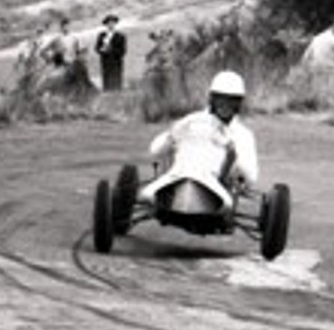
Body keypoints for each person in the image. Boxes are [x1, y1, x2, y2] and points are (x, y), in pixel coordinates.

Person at [140, 71, 259, 206]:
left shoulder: (243, 135)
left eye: (232, 100)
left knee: (226, 202)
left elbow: (251, 178)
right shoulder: (191, 121)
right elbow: (155, 150)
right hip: (178, 175)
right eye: (221, 98)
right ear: (212, 99)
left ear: (239, 103)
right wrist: (171, 136)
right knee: (147, 195)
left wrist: (234, 157)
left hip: (214, 184)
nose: (225, 104)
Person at [95, 14, 127, 92]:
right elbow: (97, 48)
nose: (111, 25)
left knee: (116, 83)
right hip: (106, 63)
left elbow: (123, 51)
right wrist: (102, 50)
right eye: (109, 23)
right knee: (107, 84)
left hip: (116, 63)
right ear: (106, 24)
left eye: (112, 23)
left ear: (115, 24)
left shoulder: (120, 36)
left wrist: (111, 49)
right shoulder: (101, 35)